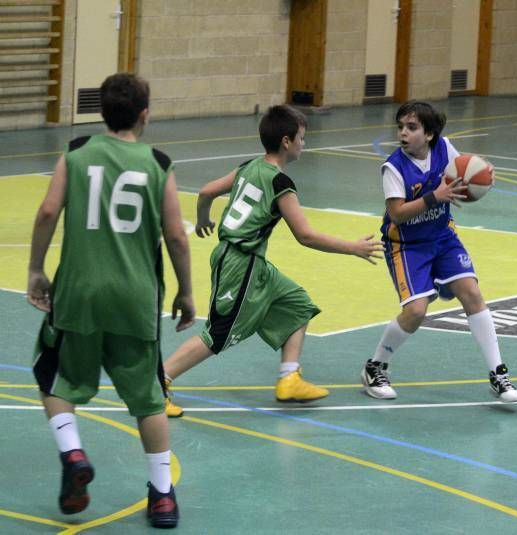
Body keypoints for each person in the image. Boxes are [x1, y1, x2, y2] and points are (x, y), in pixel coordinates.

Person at [27, 73, 194, 528]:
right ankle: (162, 496)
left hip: (79, 293)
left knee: (52, 373)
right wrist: (186, 291)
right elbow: (176, 235)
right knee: (148, 400)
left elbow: (47, 211)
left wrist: (36, 268)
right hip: (135, 297)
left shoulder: (77, 153)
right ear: (145, 114)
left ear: (102, 112)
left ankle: (73, 451)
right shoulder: (158, 163)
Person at [162, 104, 382, 418]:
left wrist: (202, 221)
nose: (305, 144)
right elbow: (305, 235)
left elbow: (207, 191)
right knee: (219, 335)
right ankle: (160, 381)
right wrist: (352, 248)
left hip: (251, 263)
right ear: (286, 142)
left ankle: (289, 378)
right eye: (302, 138)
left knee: (297, 305)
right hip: (240, 265)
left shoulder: (248, 166)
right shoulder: (281, 184)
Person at [360, 100, 517, 403]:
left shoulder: (445, 148)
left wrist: (484, 176)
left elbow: (464, 175)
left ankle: (498, 373)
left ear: (430, 133)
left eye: (411, 127)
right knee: (416, 311)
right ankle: (375, 366)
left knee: (471, 293)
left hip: (442, 235)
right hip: (406, 245)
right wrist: (436, 197)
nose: (403, 133)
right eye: (400, 127)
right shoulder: (393, 167)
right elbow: (397, 214)